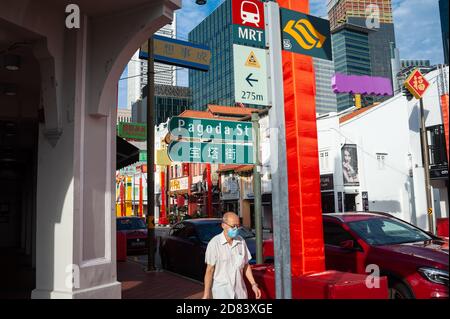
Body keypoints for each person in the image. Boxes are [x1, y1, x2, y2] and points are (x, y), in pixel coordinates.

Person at [202, 212, 262, 299]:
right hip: (222, 293)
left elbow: (246, 265)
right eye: (233, 226)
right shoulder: (214, 244)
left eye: (238, 226)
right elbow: (210, 270)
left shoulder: (241, 241)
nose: (236, 229)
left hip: (240, 292)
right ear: (223, 225)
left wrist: (253, 284)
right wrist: (206, 294)